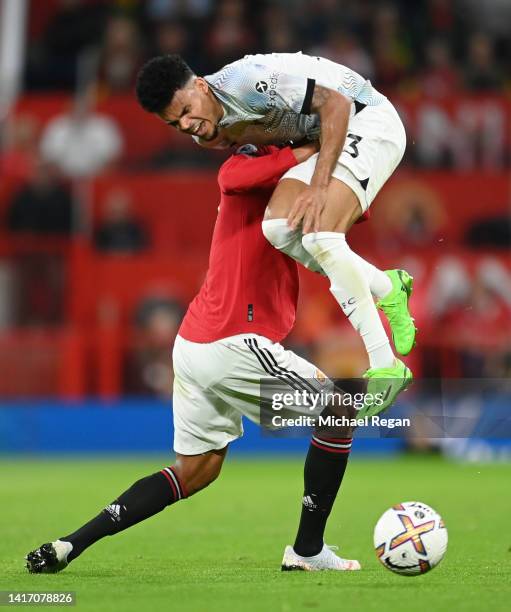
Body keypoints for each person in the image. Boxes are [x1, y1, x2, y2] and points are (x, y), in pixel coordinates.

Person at [26, 143, 364, 574]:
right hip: (232, 341)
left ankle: (69, 544)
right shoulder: (249, 170)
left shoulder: (285, 187)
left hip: (194, 343)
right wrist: (320, 147)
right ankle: (307, 550)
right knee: (338, 408)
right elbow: (236, 176)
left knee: (196, 470)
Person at [134, 51, 416, 414]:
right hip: (326, 138)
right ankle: (387, 287)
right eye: (175, 124)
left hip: (365, 120)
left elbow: (336, 103)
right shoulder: (208, 134)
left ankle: (385, 363)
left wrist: (318, 187)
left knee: (318, 235)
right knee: (278, 228)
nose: (187, 125)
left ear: (201, 86)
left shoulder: (248, 83)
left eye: (187, 111)